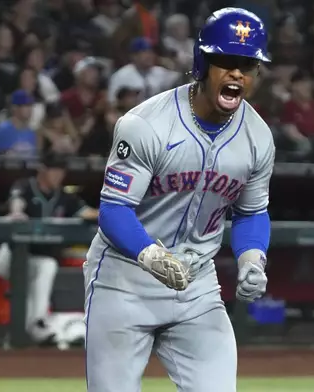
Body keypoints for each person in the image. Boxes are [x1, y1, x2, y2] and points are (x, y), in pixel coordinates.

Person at [85, 8, 274, 392]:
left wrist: (252, 256)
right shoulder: (146, 125)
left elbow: (252, 212)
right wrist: (151, 256)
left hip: (197, 285)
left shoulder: (258, 137)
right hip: (124, 280)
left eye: (248, 65)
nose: (238, 73)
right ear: (202, 64)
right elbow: (114, 209)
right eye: (227, 61)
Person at [0, 153, 98, 344]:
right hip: (10, 256)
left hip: (37, 259)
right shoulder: (25, 186)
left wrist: (114, 214)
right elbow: (17, 203)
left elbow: (88, 213)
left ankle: (35, 326)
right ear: (43, 170)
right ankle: (35, 326)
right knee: (42, 268)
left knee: (47, 266)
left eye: (61, 172)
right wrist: (16, 213)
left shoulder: (64, 197)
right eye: (54, 171)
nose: (58, 176)